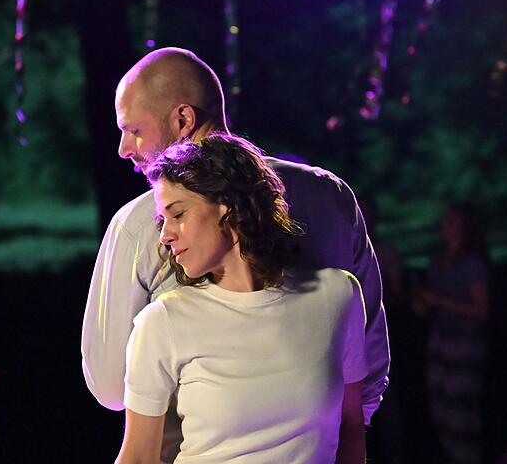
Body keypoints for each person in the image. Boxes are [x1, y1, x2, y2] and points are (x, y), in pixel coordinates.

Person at [81, 47, 389, 459]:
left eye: (134, 130)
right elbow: (369, 365)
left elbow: (110, 386)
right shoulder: (330, 195)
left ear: (183, 119)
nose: (123, 148)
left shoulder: (137, 224)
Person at [116, 134, 367, 463]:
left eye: (177, 215)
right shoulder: (163, 321)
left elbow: (352, 424)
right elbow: (137, 457)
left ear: (229, 206)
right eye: (162, 221)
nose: (165, 235)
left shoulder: (338, 295)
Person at [413, 203, 490, 464]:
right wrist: (421, 301)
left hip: (464, 342)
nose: (445, 225)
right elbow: (428, 308)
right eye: (445, 220)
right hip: (440, 339)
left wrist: (438, 301)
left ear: (465, 226)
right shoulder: (438, 261)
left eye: (452, 220)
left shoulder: (472, 262)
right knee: (440, 408)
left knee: (461, 413)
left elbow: (481, 310)